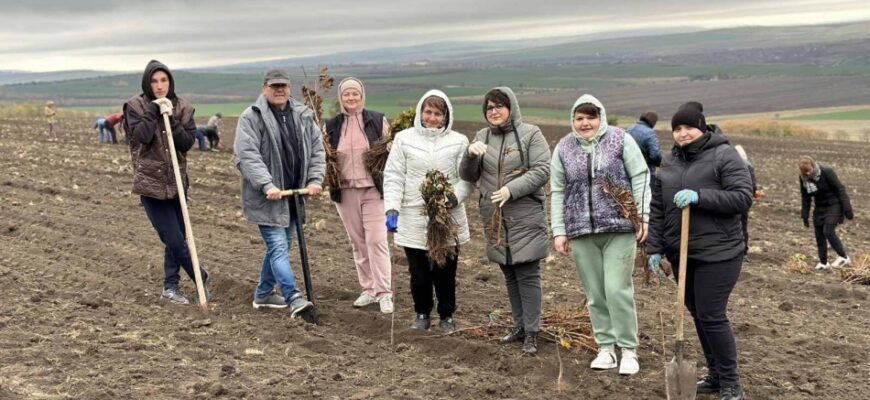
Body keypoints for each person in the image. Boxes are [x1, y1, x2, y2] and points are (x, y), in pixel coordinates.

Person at [647, 105, 753, 400]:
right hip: (682, 253)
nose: (682, 133)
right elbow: (657, 208)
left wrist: (700, 196)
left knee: (711, 315)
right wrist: (655, 248)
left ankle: (731, 383)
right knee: (699, 315)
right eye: (677, 129)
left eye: (688, 127)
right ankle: (716, 376)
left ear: (702, 128)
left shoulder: (724, 155)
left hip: (719, 252)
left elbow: (742, 197)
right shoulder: (669, 162)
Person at [550, 94, 649, 375]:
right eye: (579, 118)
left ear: (601, 118)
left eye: (590, 117)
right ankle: (605, 348)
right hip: (581, 230)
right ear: (573, 120)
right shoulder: (564, 147)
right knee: (595, 293)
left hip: (619, 227)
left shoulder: (620, 139)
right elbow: (557, 189)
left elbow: (640, 176)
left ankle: (628, 350)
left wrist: (643, 217)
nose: (585, 123)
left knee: (617, 290)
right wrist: (559, 230)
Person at [459, 87, 550, 354]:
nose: (494, 111)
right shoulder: (482, 136)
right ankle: (520, 326)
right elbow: (468, 176)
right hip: (495, 218)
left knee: (527, 273)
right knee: (509, 272)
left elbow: (543, 169)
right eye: (489, 107)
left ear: (511, 107)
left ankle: (532, 332)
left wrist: (512, 189)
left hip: (525, 213)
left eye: (499, 106)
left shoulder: (530, 134)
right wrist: (469, 155)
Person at [234, 68, 325, 317]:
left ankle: (263, 294)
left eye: (283, 86)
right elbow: (247, 155)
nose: (279, 90)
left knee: (282, 246)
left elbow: (317, 150)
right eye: (274, 86)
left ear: (289, 88)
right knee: (278, 247)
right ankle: (293, 297)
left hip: (294, 197)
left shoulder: (303, 115)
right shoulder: (251, 118)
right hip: (268, 198)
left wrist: (315, 179)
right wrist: (267, 185)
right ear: (264, 89)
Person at [383, 89, 473, 333]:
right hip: (413, 215)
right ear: (420, 112)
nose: (432, 118)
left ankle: (447, 316)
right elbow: (394, 176)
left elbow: (466, 178)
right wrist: (392, 208)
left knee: (445, 271)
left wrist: (452, 198)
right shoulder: (404, 139)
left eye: (438, 114)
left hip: (447, 218)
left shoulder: (459, 141)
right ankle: (422, 313)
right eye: (428, 112)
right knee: (419, 273)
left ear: (446, 116)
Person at [123, 59, 210, 305]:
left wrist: (170, 118)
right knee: (172, 239)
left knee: (179, 238)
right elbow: (140, 137)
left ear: (170, 82)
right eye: (154, 81)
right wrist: (153, 111)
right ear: (147, 83)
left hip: (177, 182)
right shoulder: (135, 106)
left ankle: (170, 287)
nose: (160, 86)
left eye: (164, 80)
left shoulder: (183, 107)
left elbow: (186, 143)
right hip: (150, 183)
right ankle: (200, 276)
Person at [324, 77, 394, 314]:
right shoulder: (331, 125)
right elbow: (324, 154)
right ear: (340, 97)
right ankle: (369, 289)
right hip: (345, 192)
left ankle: (384, 292)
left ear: (362, 95)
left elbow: (390, 151)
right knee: (358, 243)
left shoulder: (377, 120)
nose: (351, 98)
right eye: (346, 94)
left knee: (376, 240)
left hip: (373, 190)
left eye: (355, 93)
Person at [799, 156, 852, 270]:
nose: (808, 174)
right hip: (820, 206)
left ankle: (844, 257)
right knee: (819, 235)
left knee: (828, 231)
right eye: (805, 172)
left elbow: (840, 189)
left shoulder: (826, 171)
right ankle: (824, 262)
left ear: (813, 165)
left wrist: (847, 208)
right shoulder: (803, 178)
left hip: (834, 204)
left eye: (809, 171)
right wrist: (805, 215)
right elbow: (805, 197)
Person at [733, 145, 757, 261]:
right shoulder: (748, 165)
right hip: (743, 201)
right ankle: (743, 253)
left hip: (731, 200)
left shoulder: (728, 164)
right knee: (743, 226)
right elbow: (753, 186)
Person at [627, 111, 662, 181]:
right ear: (653, 122)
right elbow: (655, 154)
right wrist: (659, 163)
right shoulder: (650, 133)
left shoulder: (629, 129)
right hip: (645, 169)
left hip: (629, 168)